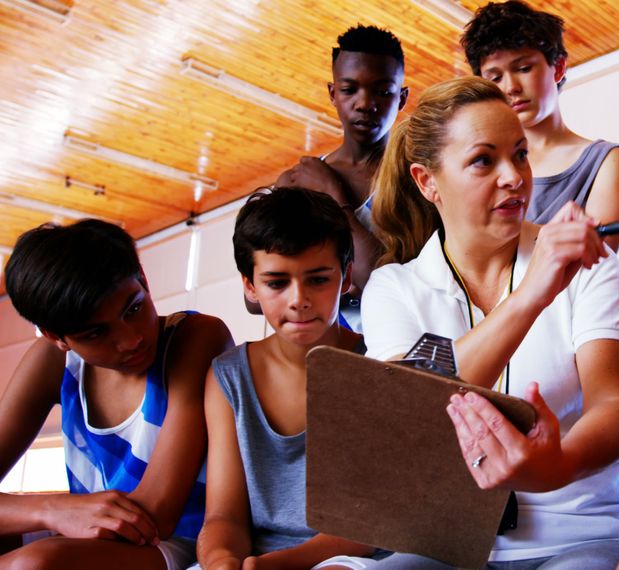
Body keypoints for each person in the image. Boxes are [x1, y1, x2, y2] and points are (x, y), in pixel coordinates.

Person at [362, 76, 619, 568]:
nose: (515, 176)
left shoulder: (588, 264)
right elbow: (408, 424)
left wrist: (559, 465)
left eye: (519, 154)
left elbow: (617, 404)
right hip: (447, 543)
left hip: (584, 531)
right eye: (483, 160)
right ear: (427, 181)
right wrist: (529, 297)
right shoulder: (394, 288)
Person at [0, 220, 232, 570]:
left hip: (178, 541)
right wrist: (50, 509)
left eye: (134, 308)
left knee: (33, 565)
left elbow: (155, 514)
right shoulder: (52, 360)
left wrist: (64, 516)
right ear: (56, 337)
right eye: (96, 333)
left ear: (143, 279)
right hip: (100, 537)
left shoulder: (196, 337)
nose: (132, 339)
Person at [197, 188, 385, 570]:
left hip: (356, 557)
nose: (298, 299)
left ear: (346, 276)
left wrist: (281, 564)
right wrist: (221, 562)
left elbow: (374, 523)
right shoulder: (228, 377)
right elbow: (223, 517)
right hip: (259, 559)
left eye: (317, 280)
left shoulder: (380, 362)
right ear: (250, 285)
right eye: (276, 283)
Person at [255, 24, 409, 329]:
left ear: (402, 97)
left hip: (400, 350)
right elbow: (256, 297)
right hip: (323, 354)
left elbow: (399, 287)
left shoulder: (419, 178)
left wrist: (334, 200)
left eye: (383, 91)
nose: (365, 104)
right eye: (350, 89)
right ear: (332, 93)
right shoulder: (296, 181)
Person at [461, 0, 619, 251]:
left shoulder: (603, 160)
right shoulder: (476, 161)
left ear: (558, 67)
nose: (511, 87)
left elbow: (599, 258)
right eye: (495, 77)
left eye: (524, 68)